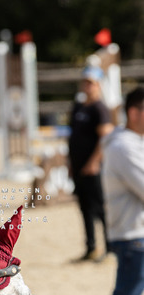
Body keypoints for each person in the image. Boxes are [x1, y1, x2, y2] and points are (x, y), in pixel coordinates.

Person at [87, 86, 144, 295]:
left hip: (135, 234)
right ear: (134, 112)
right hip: (135, 236)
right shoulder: (124, 146)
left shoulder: (130, 142)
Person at [68, 66, 114, 261]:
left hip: (94, 168)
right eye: (85, 82)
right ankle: (91, 247)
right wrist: (71, 164)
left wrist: (94, 162)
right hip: (79, 167)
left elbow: (105, 139)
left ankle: (110, 248)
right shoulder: (78, 107)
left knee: (100, 209)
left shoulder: (100, 109)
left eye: (91, 83)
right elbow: (72, 137)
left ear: (98, 85)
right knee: (84, 208)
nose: (88, 86)